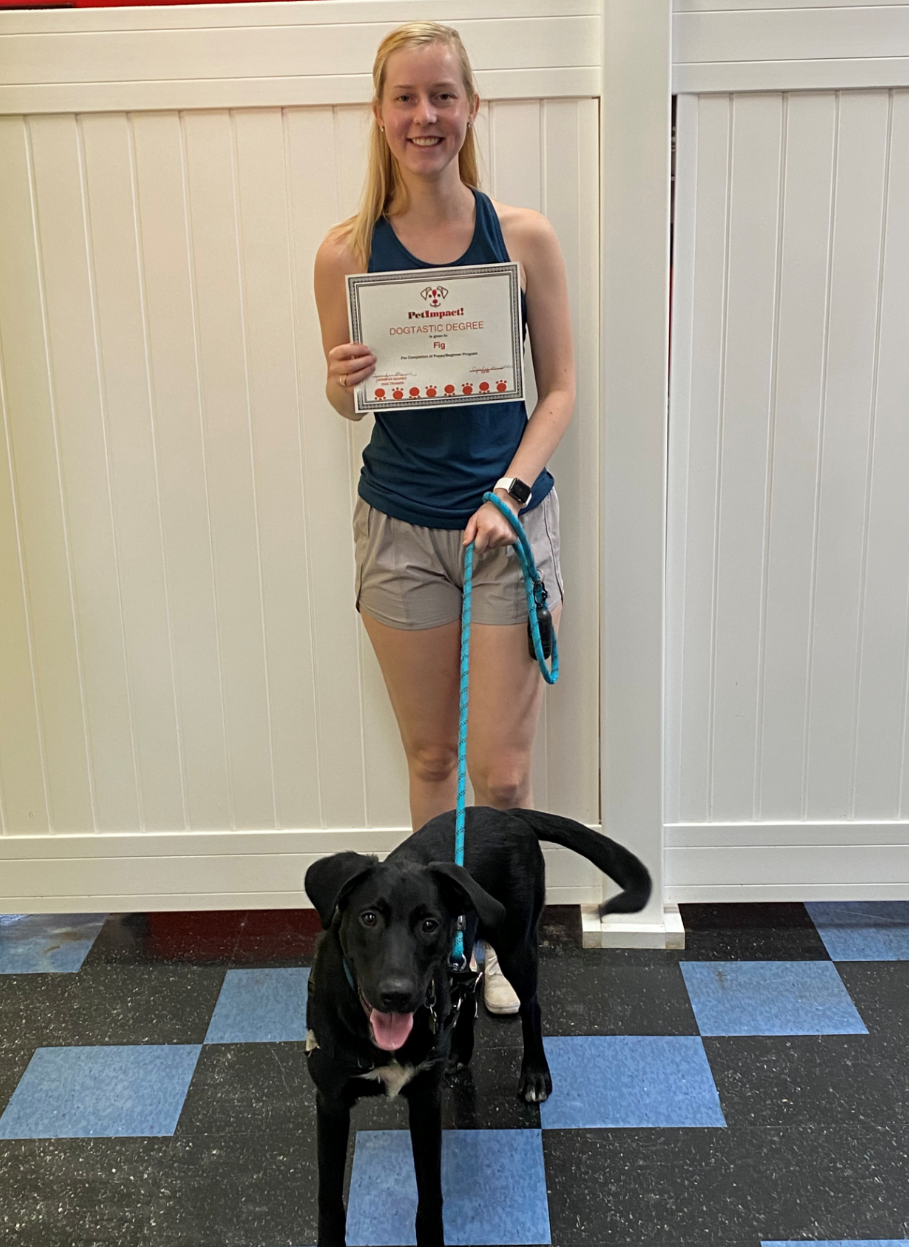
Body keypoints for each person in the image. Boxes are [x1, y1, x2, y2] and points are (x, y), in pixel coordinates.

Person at [313, 21, 575, 1014]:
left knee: (502, 781)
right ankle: (447, 953)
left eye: (443, 95)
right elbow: (351, 406)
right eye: (406, 98)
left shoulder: (525, 237)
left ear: (470, 108)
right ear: (379, 115)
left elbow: (560, 392)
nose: (425, 116)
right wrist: (340, 382)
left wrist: (507, 495)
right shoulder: (343, 255)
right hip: (400, 532)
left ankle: (501, 946)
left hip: (503, 525)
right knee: (430, 763)